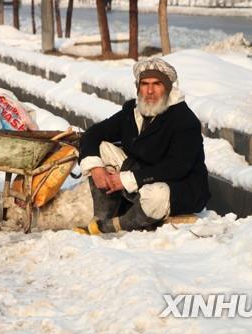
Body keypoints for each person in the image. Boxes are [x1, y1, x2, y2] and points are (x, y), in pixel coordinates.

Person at [75, 57, 210, 235]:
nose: (150, 91)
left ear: (168, 88)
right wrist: (96, 168)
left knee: (156, 195)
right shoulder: (132, 111)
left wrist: (126, 179)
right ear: (138, 87)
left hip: (177, 186)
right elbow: (94, 133)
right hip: (139, 174)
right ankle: (101, 217)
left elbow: (176, 168)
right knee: (101, 148)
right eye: (145, 84)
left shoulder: (184, 120)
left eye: (157, 84)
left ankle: (112, 226)